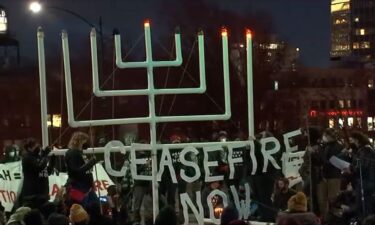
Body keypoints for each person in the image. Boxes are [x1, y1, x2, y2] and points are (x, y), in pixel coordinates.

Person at [346, 131, 375, 219]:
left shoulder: (365, 150)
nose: (351, 143)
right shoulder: (362, 150)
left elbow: (362, 167)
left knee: (364, 206)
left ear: (357, 140)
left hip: (366, 182)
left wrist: (351, 169)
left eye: (352, 141)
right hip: (365, 181)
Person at [19, 138, 55, 209]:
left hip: (42, 194)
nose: (38, 148)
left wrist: (52, 162)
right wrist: (44, 155)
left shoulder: (39, 158)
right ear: (29, 148)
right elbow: (39, 167)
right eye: (35, 146)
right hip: (32, 196)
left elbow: (46, 173)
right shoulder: (27, 158)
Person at [65, 132, 98, 208]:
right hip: (78, 187)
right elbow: (76, 171)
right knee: (81, 208)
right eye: (85, 141)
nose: (86, 143)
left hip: (87, 187)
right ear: (79, 141)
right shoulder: (72, 153)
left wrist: (92, 183)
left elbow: (87, 171)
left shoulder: (81, 153)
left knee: (95, 206)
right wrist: (91, 163)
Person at [317, 128, 343, 220]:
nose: (324, 137)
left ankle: (334, 219)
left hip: (333, 176)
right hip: (322, 176)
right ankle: (324, 218)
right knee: (322, 200)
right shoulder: (322, 146)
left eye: (325, 135)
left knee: (333, 198)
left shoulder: (338, 147)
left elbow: (332, 161)